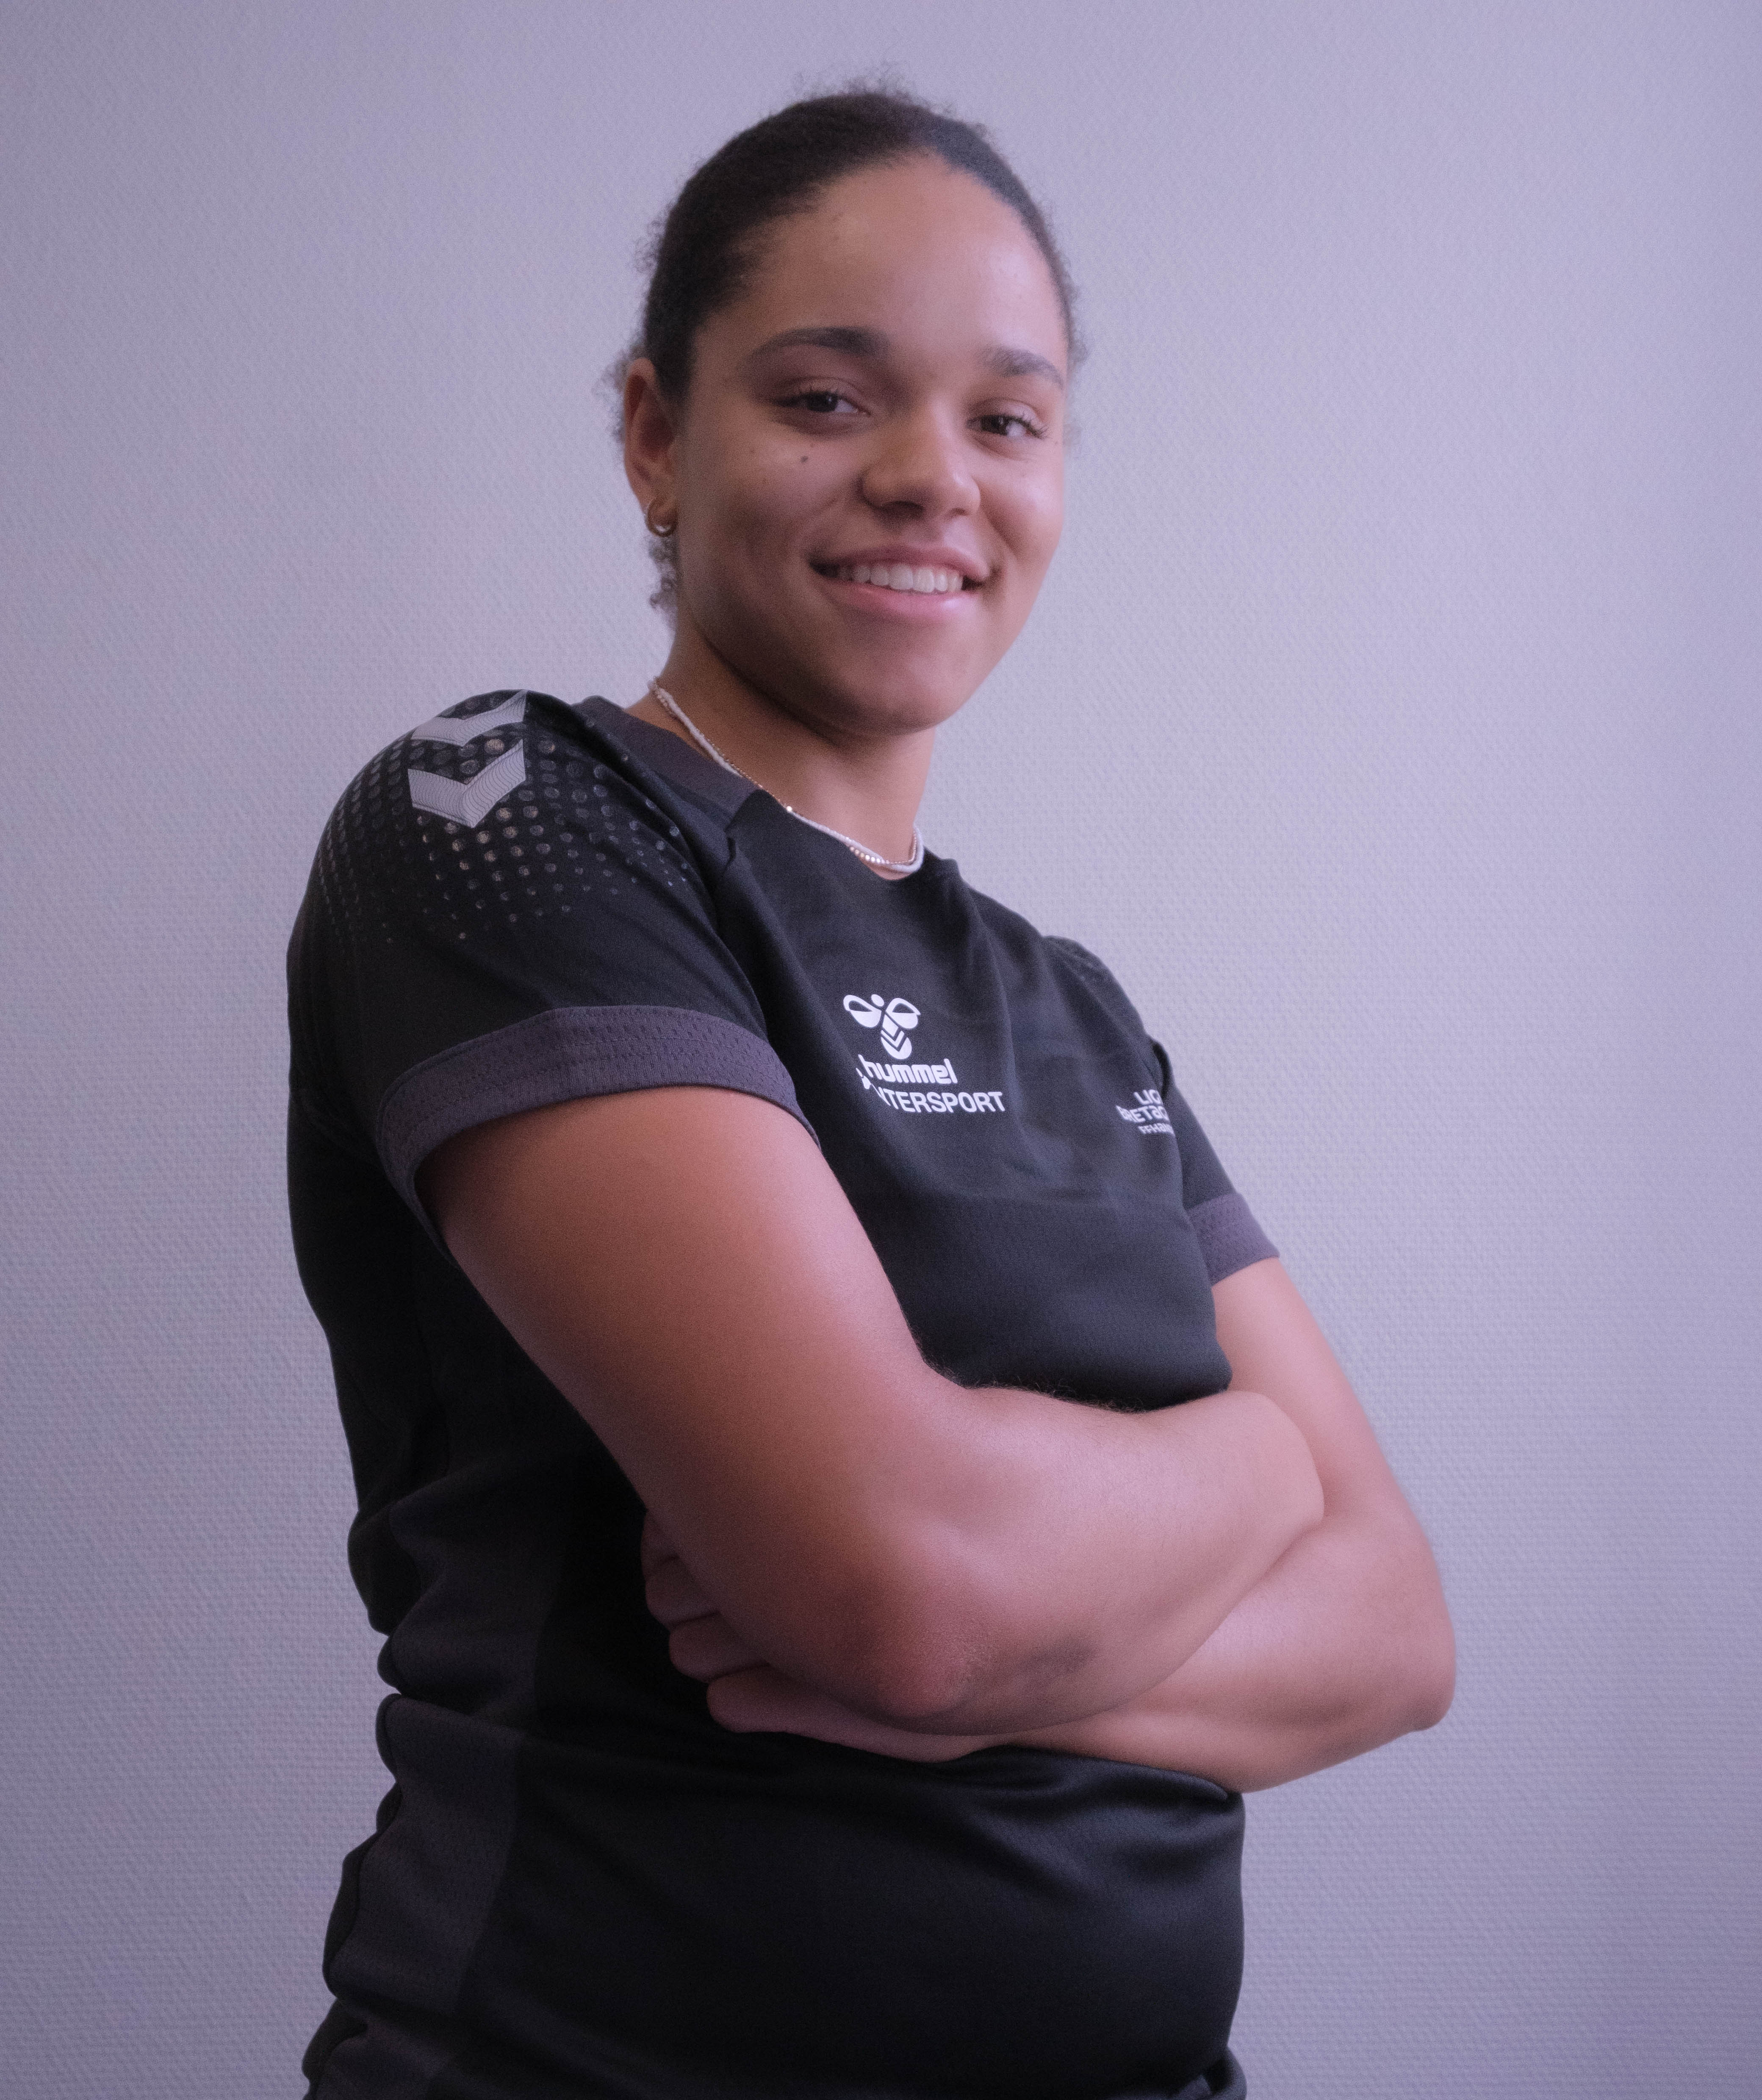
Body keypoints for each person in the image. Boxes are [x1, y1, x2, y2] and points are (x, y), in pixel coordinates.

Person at [288, 87, 1454, 2100]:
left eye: (1005, 418)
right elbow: (899, 1582)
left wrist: (989, 1661)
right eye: (827, 398)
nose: (930, 477)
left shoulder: (1073, 1010)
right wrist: (1256, 1472)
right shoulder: (509, 818)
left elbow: (1390, 1634)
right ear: (655, 432)